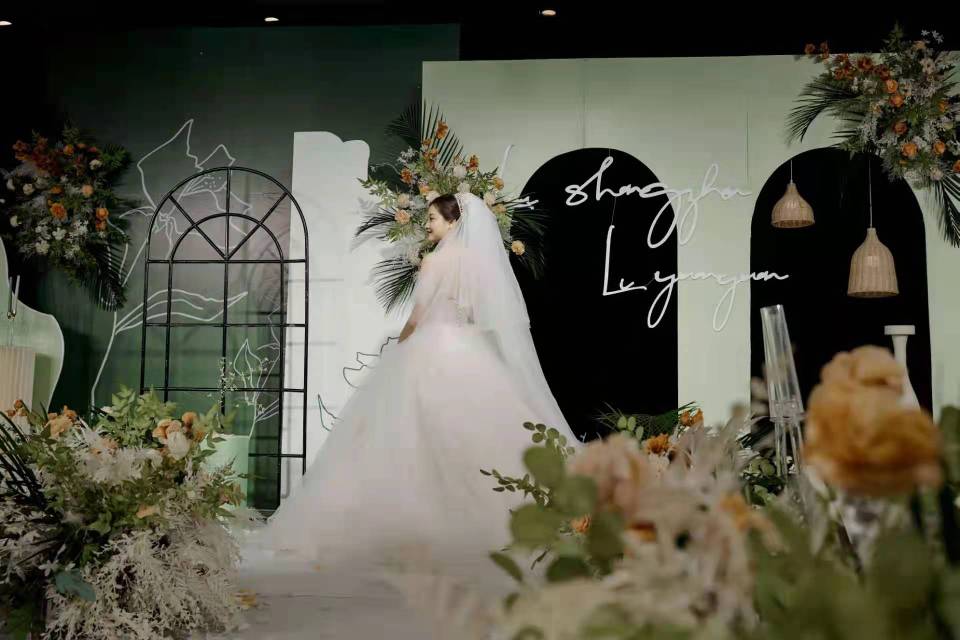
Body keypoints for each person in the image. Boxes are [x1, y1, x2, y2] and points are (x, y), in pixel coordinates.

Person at [254, 191, 576, 580]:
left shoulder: (435, 261)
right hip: (469, 349)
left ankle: (421, 527)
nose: (427, 224)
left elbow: (417, 316)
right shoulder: (479, 263)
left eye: (434, 218)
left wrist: (399, 346)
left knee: (410, 436)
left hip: (432, 348)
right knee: (472, 436)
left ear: (454, 221)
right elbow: (482, 315)